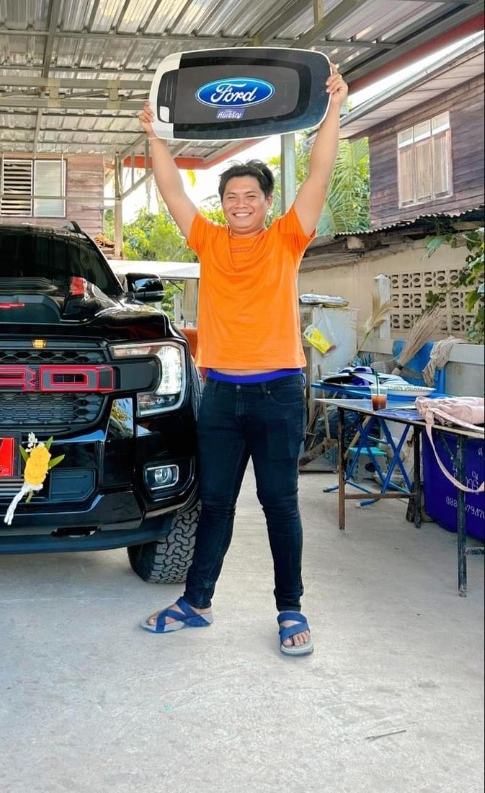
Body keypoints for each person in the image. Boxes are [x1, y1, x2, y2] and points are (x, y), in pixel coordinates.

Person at [139, 62, 348, 654]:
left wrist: (333, 109)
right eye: (230, 197)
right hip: (221, 397)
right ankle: (196, 601)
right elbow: (173, 191)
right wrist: (155, 137)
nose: (239, 204)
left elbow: (320, 173)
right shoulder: (207, 241)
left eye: (249, 196)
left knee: (280, 505)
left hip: (278, 394)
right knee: (215, 505)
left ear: (265, 201)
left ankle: (290, 609)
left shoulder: (287, 238)